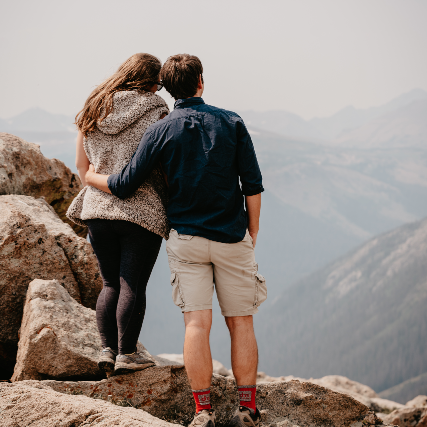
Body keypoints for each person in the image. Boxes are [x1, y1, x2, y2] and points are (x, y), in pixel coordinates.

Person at [85, 54, 267, 427]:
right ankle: (246, 408)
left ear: (167, 88)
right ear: (201, 80)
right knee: (242, 323)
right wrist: (252, 230)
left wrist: (90, 178)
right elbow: (252, 184)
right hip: (233, 236)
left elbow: (123, 184)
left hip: (186, 239)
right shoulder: (232, 122)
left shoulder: (161, 129)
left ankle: (203, 411)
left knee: (196, 325)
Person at [66, 53, 170, 377]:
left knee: (110, 283)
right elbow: (165, 164)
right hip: (142, 211)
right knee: (132, 285)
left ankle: (107, 350)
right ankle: (128, 354)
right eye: (160, 82)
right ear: (152, 81)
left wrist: (100, 180)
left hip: (97, 208)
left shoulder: (94, 106)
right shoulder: (156, 110)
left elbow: (83, 169)